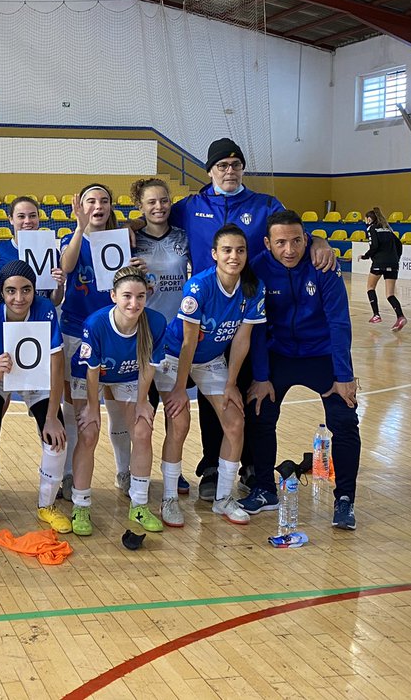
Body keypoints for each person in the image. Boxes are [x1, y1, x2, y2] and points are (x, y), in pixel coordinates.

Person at [131, 139, 335, 504]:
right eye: (221, 165)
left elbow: (291, 231)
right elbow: (154, 219)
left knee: (246, 393)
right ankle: (211, 467)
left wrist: (317, 239)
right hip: (200, 317)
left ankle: (253, 467)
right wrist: (131, 230)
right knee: (211, 402)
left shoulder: (265, 205)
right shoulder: (189, 207)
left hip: (248, 312)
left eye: (235, 164)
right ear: (209, 170)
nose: (229, 170)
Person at [133, 225, 264, 530]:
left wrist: (231, 384)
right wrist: (180, 389)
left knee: (235, 422)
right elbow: (189, 342)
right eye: (227, 250)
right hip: (173, 356)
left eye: (240, 250)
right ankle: (168, 499)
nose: (234, 256)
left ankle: (223, 499)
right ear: (215, 254)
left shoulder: (253, 288)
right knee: (179, 421)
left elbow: (243, 339)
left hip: (210, 359)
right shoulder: (199, 286)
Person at [244, 210, 360, 530]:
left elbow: (339, 323)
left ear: (306, 238)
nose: (290, 250)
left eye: (297, 241)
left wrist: (344, 377)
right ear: (268, 243)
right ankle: (265, 488)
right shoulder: (257, 269)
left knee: (345, 419)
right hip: (278, 353)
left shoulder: (323, 265)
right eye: (280, 243)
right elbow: (256, 328)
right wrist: (261, 376)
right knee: (260, 412)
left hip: (321, 355)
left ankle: (345, 499)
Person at [69, 266, 167, 537]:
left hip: (128, 373)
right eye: (126, 296)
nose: (133, 303)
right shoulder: (96, 323)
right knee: (88, 433)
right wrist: (92, 407)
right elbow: (91, 370)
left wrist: (142, 401)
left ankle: (139, 503)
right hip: (91, 375)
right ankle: (81, 505)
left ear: (147, 296)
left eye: (140, 296)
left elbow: (149, 365)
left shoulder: (156, 322)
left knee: (143, 429)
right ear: (113, 296)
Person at [0, 260, 70, 533]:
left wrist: (52, 415)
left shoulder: (45, 310)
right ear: (1, 293)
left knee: (56, 438)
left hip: (37, 380)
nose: (19, 298)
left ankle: (47, 505)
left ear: (34, 290)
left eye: (26, 290)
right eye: (11, 291)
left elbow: (56, 364)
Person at [60, 183, 138, 501]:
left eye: (104, 200)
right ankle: (68, 473)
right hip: (76, 331)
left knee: (118, 406)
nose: (98, 205)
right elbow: (66, 267)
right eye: (91, 200)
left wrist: (137, 270)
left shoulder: (122, 241)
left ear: (110, 206)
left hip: (113, 331)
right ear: (81, 206)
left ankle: (125, 470)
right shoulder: (71, 239)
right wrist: (80, 229)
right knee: (78, 409)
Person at [127, 176, 192, 504]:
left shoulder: (185, 237)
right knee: (142, 416)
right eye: (151, 202)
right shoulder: (129, 239)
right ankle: (135, 475)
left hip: (176, 336)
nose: (159, 207)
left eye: (164, 200)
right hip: (141, 338)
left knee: (176, 413)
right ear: (140, 207)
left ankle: (172, 470)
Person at [0, 196, 65, 307]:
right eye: (21, 216)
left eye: (32, 216)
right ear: (11, 219)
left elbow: (55, 302)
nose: (27, 221)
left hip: (39, 318)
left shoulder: (52, 253)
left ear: (38, 218)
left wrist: (60, 285)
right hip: (8, 319)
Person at [361, 207, 406, 331]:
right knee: (390, 294)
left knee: (370, 287)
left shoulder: (371, 228)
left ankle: (376, 315)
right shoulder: (387, 228)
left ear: (369, 219)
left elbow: (374, 245)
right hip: (393, 263)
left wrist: (366, 256)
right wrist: (396, 258)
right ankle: (400, 317)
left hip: (379, 262)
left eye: (365, 219)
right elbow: (399, 244)